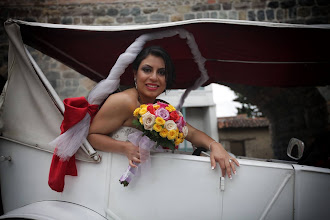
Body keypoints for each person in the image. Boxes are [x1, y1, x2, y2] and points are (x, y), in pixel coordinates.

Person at [87, 46, 239, 179]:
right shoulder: (123, 101)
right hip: (114, 178)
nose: (154, 77)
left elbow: (191, 133)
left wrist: (215, 145)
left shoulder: (163, 109)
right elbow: (91, 137)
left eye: (161, 72)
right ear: (135, 74)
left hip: (150, 181)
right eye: (147, 70)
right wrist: (124, 147)